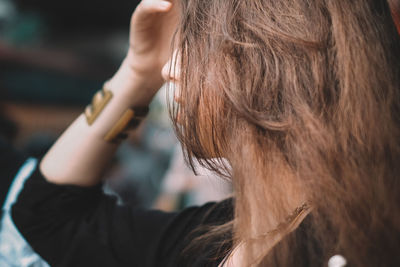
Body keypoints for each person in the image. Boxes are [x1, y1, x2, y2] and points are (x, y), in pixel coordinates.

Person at [7, 0, 400, 266]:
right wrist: (137, 72)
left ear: (272, 66)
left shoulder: (350, 248)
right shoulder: (230, 233)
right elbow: (49, 218)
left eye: (195, 47)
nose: (170, 70)